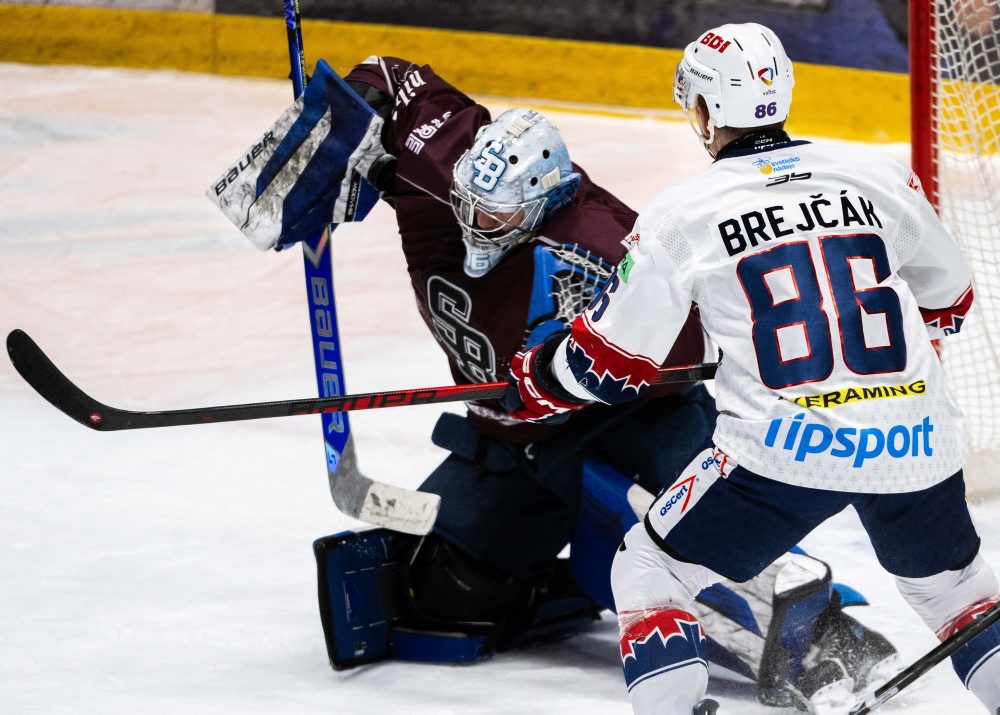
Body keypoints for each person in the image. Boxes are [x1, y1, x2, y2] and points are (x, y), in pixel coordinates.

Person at [317, 54, 903, 707]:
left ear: (542, 204)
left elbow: (693, 339)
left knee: (694, 532)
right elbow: (398, 84)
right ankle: (575, 581)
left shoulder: (603, 241)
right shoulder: (445, 199)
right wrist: (346, 119)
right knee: (444, 594)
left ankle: (822, 636)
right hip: (519, 445)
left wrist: (573, 370)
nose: (471, 226)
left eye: (494, 218)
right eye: (468, 208)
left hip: (633, 419)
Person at [502, 21, 1000, 714]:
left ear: (704, 112)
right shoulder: (877, 172)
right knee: (960, 595)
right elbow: (951, 296)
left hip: (784, 452)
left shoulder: (684, 211)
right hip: (917, 437)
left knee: (648, 567)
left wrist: (538, 374)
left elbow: (610, 364)